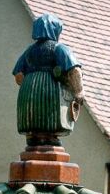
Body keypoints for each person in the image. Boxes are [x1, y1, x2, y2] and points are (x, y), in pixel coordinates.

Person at [12, 13, 84, 144]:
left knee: (32, 116)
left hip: (29, 92)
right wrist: (78, 92)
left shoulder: (29, 51)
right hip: (50, 91)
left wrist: (31, 84)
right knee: (50, 116)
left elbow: (18, 76)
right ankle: (50, 137)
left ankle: (33, 138)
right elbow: (74, 70)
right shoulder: (59, 48)